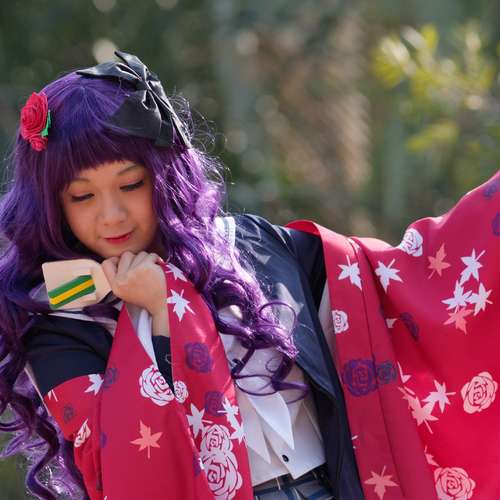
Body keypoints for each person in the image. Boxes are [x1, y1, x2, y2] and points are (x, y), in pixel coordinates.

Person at [0, 51, 364, 500]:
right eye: (82, 196)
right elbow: (118, 465)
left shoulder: (249, 245)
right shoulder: (58, 317)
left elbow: (381, 291)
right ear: (52, 204)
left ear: (164, 173)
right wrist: (163, 313)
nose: (111, 215)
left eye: (130, 184)